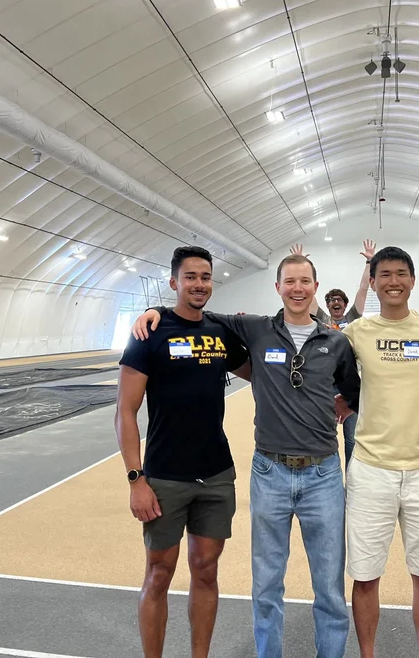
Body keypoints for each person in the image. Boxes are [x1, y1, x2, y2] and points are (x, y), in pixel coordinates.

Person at [132, 253, 361, 658]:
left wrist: (343, 404)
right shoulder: (255, 329)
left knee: (329, 586)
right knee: (267, 585)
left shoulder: (337, 342)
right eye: (289, 281)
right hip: (270, 472)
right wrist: (157, 311)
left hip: (323, 475)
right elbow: (198, 312)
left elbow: (353, 389)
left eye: (304, 281)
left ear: (315, 287)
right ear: (277, 287)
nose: (297, 289)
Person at [115, 246, 251, 658]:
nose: (199, 284)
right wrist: (136, 480)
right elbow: (125, 412)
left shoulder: (220, 333)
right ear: (174, 282)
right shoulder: (150, 333)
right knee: (159, 574)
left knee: (206, 571)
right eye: (190, 277)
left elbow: (262, 372)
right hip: (165, 478)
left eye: (205, 277)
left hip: (215, 475)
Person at [335, 246, 419, 658]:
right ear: (372, 282)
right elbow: (311, 348)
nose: (393, 282)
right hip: (370, 470)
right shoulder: (357, 331)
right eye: (384, 274)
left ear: (413, 280)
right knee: (365, 577)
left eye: (401, 273)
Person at [302, 239, 376, 466]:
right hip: (325, 384)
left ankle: (351, 477)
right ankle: (326, 474)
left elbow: (363, 290)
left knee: (352, 438)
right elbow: (310, 296)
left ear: (345, 304)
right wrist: (303, 264)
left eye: (339, 300)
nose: (335, 302)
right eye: (331, 300)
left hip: (348, 384)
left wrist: (369, 263)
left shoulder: (352, 317)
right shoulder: (322, 319)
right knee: (325, 433)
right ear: (327, 305)